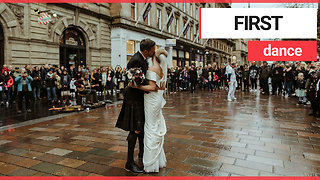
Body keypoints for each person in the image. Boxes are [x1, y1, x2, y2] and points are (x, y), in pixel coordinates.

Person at [116, 39, 156, 173]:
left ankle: (141, 154)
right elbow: (135, 81)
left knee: (141, 128)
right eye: (153, 49)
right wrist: (151, 84)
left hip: (138, 98)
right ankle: (129, 162)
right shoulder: (136, 59)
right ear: (146, 50)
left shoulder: (142, 58)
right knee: (135, 129)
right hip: (134, 99)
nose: (154, 51)